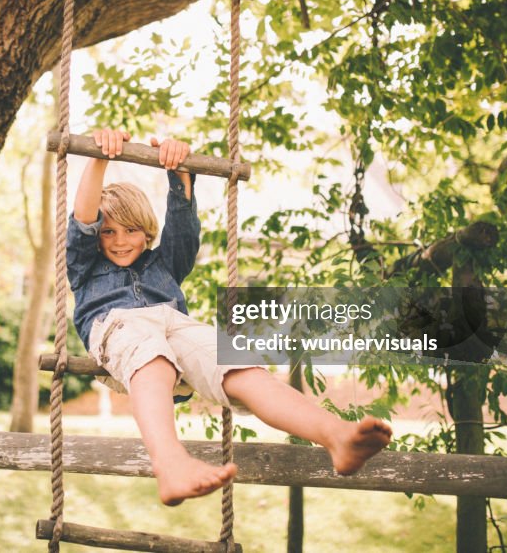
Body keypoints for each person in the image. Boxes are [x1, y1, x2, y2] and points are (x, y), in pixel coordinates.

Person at [67, 128, 393, 506]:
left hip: (176, 326)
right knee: (152, 358)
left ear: (147, 232)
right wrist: (100, 159)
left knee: (241, 366)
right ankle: (171, 464)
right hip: (119, 328)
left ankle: (335, 435)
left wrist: (180, 171)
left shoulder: (165, 264)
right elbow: (83, 221)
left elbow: (184, 226)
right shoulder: (85, 265)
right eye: (108, 232)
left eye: (131, 230)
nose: (120, 240)